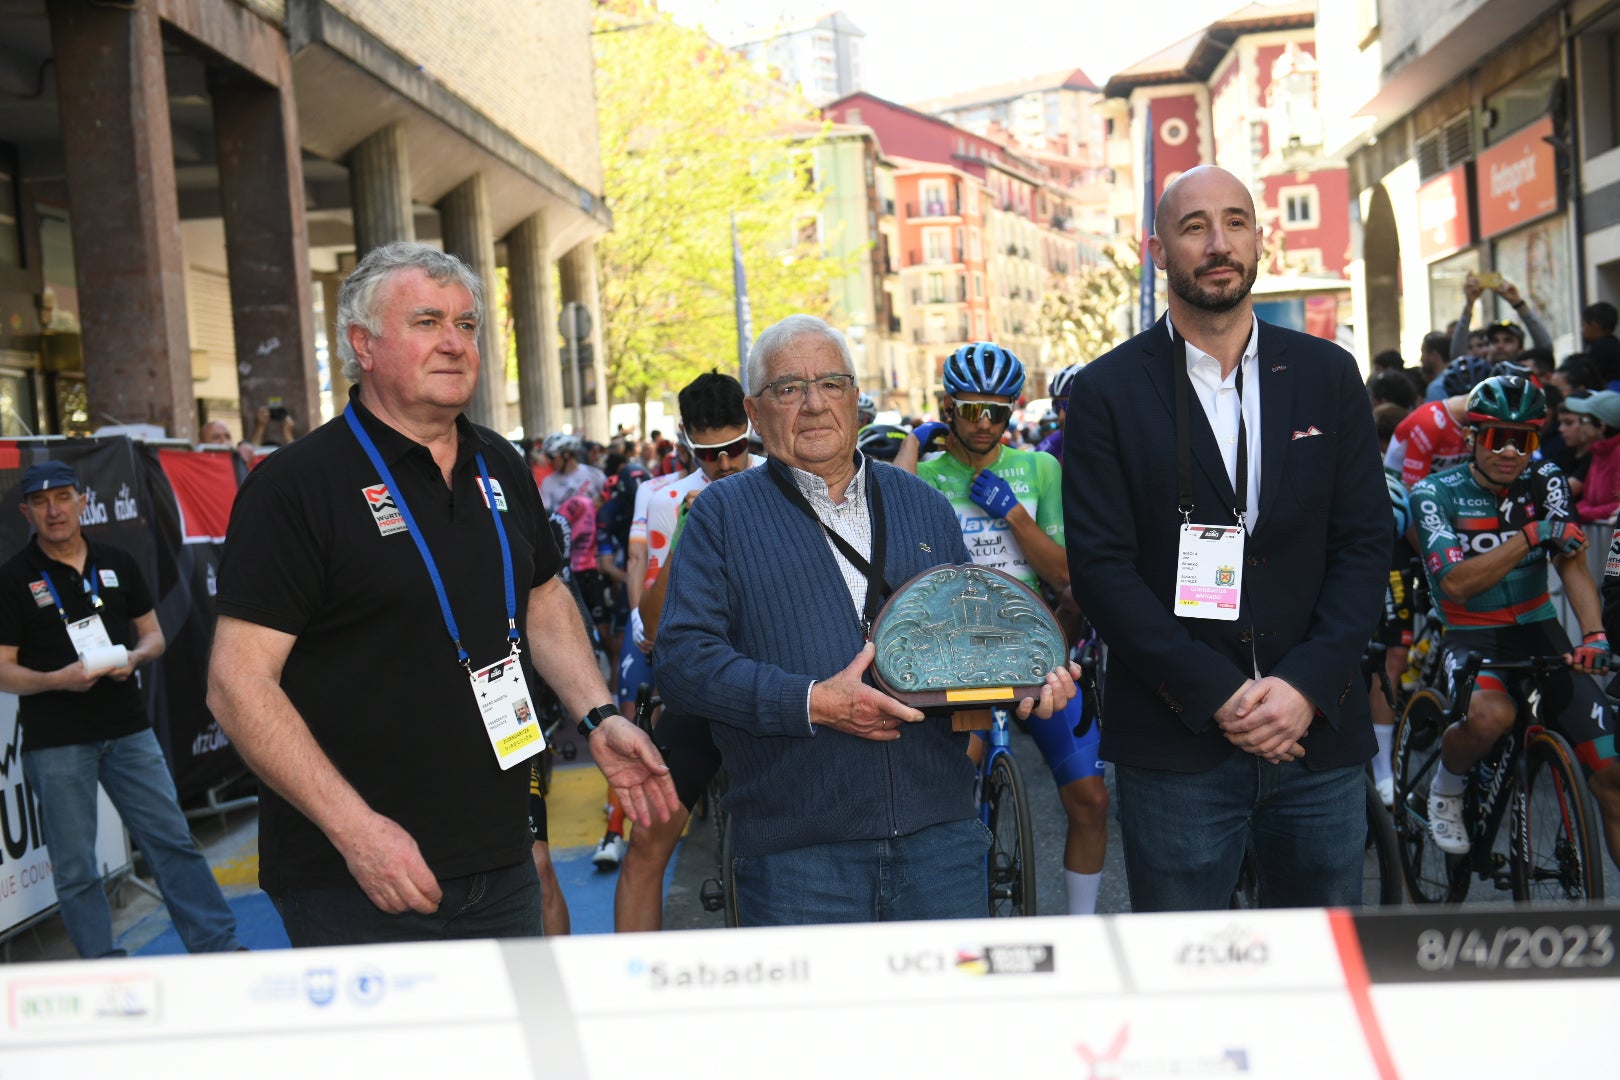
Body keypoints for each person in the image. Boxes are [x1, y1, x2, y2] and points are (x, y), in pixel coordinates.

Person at [206, 241, 676, 946]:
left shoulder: (500, 462)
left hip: (501, 851)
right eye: (427, 322)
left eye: (466, 325)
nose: (454, 344)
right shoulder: (295, 487)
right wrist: (356, 831)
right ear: (362, 345)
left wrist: (599, 714)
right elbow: (237, 685)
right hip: (360, 874)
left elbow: (542, 595)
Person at [653, 314, 1077, 926]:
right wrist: (812, 701)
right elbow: (683, 663)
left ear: (856, 398)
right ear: (754, 409)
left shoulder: (923, 505)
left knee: (949, 1019)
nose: (814, 404)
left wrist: (1030, 679)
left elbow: (971, 637)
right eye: (788, 388)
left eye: (830, 383)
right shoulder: (720, 515)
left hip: (943, 840)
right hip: (796, 853)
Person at [1064, 165, 1388, 912]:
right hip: (1177, 747)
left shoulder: (1327, 374)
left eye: (1236, 222)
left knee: (1319, 974)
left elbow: (1365, 544)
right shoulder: (1107, 392)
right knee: (1184, 978)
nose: (1219, 243)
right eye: (1194, 226)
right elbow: (1104, 572)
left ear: (1259, 241)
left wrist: (1304, 686)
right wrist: (1222, 697)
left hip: (1318, 734)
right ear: (1157, 251)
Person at [0, 460, 241, 958]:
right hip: (57, 740)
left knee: (171, 841)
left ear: (83, 502)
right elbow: (3, 668)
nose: (54, 510)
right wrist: (53, 681)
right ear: (27, 511)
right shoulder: (12, 578)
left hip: (129, 729)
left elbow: (152, 634)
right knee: (75, 868)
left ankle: (217, 949)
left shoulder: (116, 560)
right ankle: (101, 968)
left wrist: (133, 656)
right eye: (41, 502)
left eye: (63, 497)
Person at [905, 341, 1110, 916]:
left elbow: (1067, 574)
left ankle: (1081, 930)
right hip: (951, 657)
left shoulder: (1039, 468)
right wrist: (908, 448)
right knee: (946, 797)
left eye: (998, 411)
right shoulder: (922, 475)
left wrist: (1013, 515)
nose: (985, 424)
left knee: (1091, 800)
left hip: (1029, 652)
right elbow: (892, 542)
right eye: (971, 410)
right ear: (947, 407)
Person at [1408, 376, 1620, 862]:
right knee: (1491, 718)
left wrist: (1594, 634)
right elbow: (1457, 583)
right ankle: (1446, 784)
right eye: (1495, 437)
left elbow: (1569, 558)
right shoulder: (1433, 493)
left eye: (1521, 439)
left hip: (1539, 628)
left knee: (1612, 773)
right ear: (1470, 438)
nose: (1508, 450)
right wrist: (1528, 537)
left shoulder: (1544, 480)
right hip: (1471, 633)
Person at [613, 371, 758, 931]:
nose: (724, 466)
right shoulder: (663, 498)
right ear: (685, 442)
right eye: (709, 455)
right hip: (700, 694)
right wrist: (685, 534)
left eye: (736, 450)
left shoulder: (782, 482)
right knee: (646, 846)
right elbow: (649, 624)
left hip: (773, 686)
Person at [1451, 273, 1552, 365]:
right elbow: (1457, 358)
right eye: (1494, 341)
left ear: (1520, 349)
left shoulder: (1526, 372)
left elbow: (1545, 349)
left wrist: (1518, 303)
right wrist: (1469, 305)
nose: (1500, 346)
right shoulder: (1480, 373)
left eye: (1508, 341)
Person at [1566, 390, 1620, 523]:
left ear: (1601, 426)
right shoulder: (1598, 453)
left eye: (1583, 420)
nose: (1579, 426)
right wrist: (1570, 512)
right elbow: (1588, 500)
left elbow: (1617, 507)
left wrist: (1578, 513)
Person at [539, 433, 606, 509]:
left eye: (551, 457)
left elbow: (607, 499)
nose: (549, 461)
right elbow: (546, 512)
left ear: (566, 454)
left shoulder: (594, 474)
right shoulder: (547, 482)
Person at [1581, 300, 1620, 386]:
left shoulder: (1599, 349)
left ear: (1595, 325)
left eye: (1584, 325)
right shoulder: (1615, 344)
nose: (1582, 330)